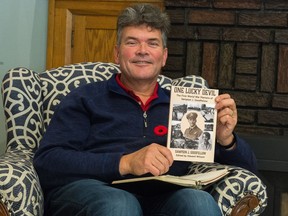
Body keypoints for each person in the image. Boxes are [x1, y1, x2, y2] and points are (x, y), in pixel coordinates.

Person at [33, 3, 257, 216]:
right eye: (132, 42)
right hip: (94, 190)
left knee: (198, 201)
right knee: (120, 204)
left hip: (162, 197)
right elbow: (48, 162)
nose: (142, 51)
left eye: (152, 43)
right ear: (117, 53)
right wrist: (126, 163)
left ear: (164, 56)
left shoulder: (185, 106)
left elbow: (249, 171)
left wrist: (226, 140)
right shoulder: (85, 98)